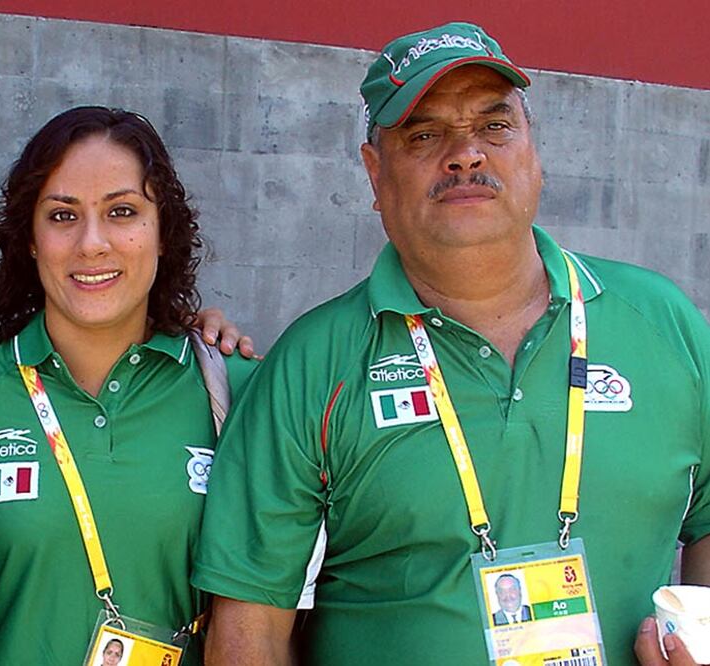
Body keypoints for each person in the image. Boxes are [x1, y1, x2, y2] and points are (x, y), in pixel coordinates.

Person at [191, 21, 710, 666]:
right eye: (426, 134)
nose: (466, 154)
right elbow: (247, 635)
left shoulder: (664, 325)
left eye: (494, 126)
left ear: (533, 151)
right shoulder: (312, 366)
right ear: (375, 173)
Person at [0, 106, 257, 666]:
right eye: (63, 215)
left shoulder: (238, 388)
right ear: (28, 237)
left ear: (163, 231)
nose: (92, 243)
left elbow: (290, 615)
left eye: (122, 211)